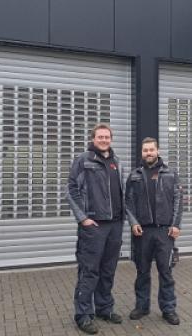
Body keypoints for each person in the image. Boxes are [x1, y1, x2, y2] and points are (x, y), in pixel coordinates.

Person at [66, 123, 125, 334]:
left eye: (107, 137)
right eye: (100, 137)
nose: (104, 140)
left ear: (111, 139)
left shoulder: (117, 162)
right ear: (93, 139)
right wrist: (83, 218)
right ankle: (83, 315)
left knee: (108, 270)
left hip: (114, 226)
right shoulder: (83, 160)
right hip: (94, 226)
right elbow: (71, 190)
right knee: (89, 271)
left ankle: (104, 308)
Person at [125, 137, 183, 325]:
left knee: (166, 272)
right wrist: (133, 223)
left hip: (165, 232)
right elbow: (128, 202)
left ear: (157, 151)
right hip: (142, 233)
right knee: (142, 272)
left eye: (151, 150)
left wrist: (176, 225)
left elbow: (178, 201)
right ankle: (142, 307)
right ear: (142, 153)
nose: (148, 153)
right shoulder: (134, 176)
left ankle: (168, 309)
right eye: (145, 150)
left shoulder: (170, 174)